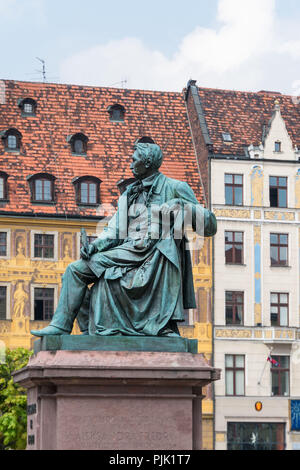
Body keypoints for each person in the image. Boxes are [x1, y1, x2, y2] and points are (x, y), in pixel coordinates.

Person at [31, 143, 217, 338]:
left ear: (147, 162)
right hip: (128, 251)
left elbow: (210, 226)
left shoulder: (175, 187)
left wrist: (182, 205)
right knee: (75, 270)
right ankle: (69, 327)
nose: (130, 165)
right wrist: (95, 246)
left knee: (89, 275)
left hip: (155, 254)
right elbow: (115, 230)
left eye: (133, 160)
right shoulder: (129, 193)